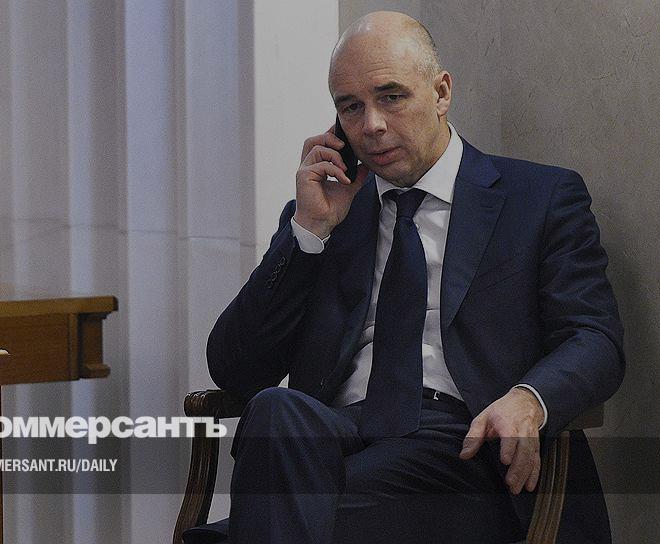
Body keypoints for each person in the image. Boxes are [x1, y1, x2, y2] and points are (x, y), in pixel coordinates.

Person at [191, 10, 624, 544]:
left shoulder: (538, 198)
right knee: (276, 409)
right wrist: (308, 232)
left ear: (441, 93)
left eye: (391, 96)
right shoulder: (325, 217)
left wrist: (530, 398)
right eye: (351, 107)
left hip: (463, 447)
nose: (371, 125)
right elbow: (235, 370)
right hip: (342, 435)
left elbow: (595, 338)